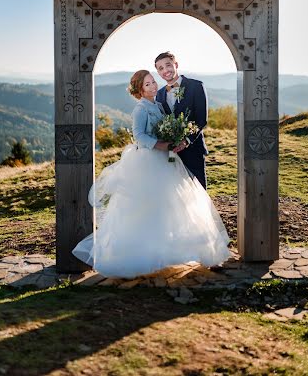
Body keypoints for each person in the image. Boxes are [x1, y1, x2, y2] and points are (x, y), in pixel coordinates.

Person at [72, 69, 230, 278]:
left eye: (153, 82)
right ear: (140, 90)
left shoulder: (157, 104)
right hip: (149, 160)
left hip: (165, 160)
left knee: (171, 206)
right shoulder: (140, 109)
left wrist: (173, 138)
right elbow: (139, 136)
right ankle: (144, 255)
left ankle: (169, 251)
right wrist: (160, 144)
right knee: (147, 208)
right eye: (147, 84)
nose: (153, 86)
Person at [155, 52, 208, 189]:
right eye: (160, 68)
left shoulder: (196, 86)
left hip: (193, 148)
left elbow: (201, 119)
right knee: (177, 192)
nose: (165, 70)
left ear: (176, 65)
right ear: (158, 72)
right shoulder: (159, 94)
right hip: (171, 152)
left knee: (198, 189)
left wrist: (186, 141)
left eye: (168, 65)